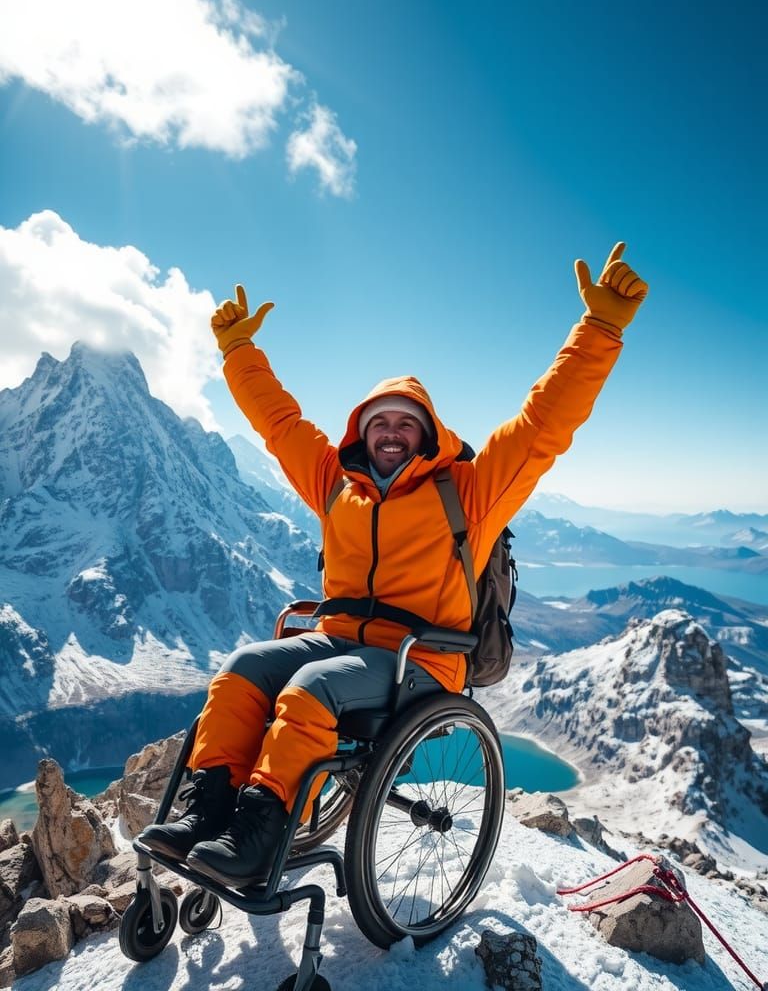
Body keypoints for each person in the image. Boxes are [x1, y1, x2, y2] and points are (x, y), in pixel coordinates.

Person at [141, 242, 648, 887]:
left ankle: (261, 831)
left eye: (406, 424)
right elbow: (279, 424)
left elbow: (542, 425)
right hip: (339, 640)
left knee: (310, 690)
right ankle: (205, 811)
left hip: (421, 659)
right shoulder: (335, 485)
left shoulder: (467, 492)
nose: (391, 432)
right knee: (242, 670)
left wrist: (599, 329)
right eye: (379, 421)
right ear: (361, 432)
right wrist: (239, 353)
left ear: (427, 434)